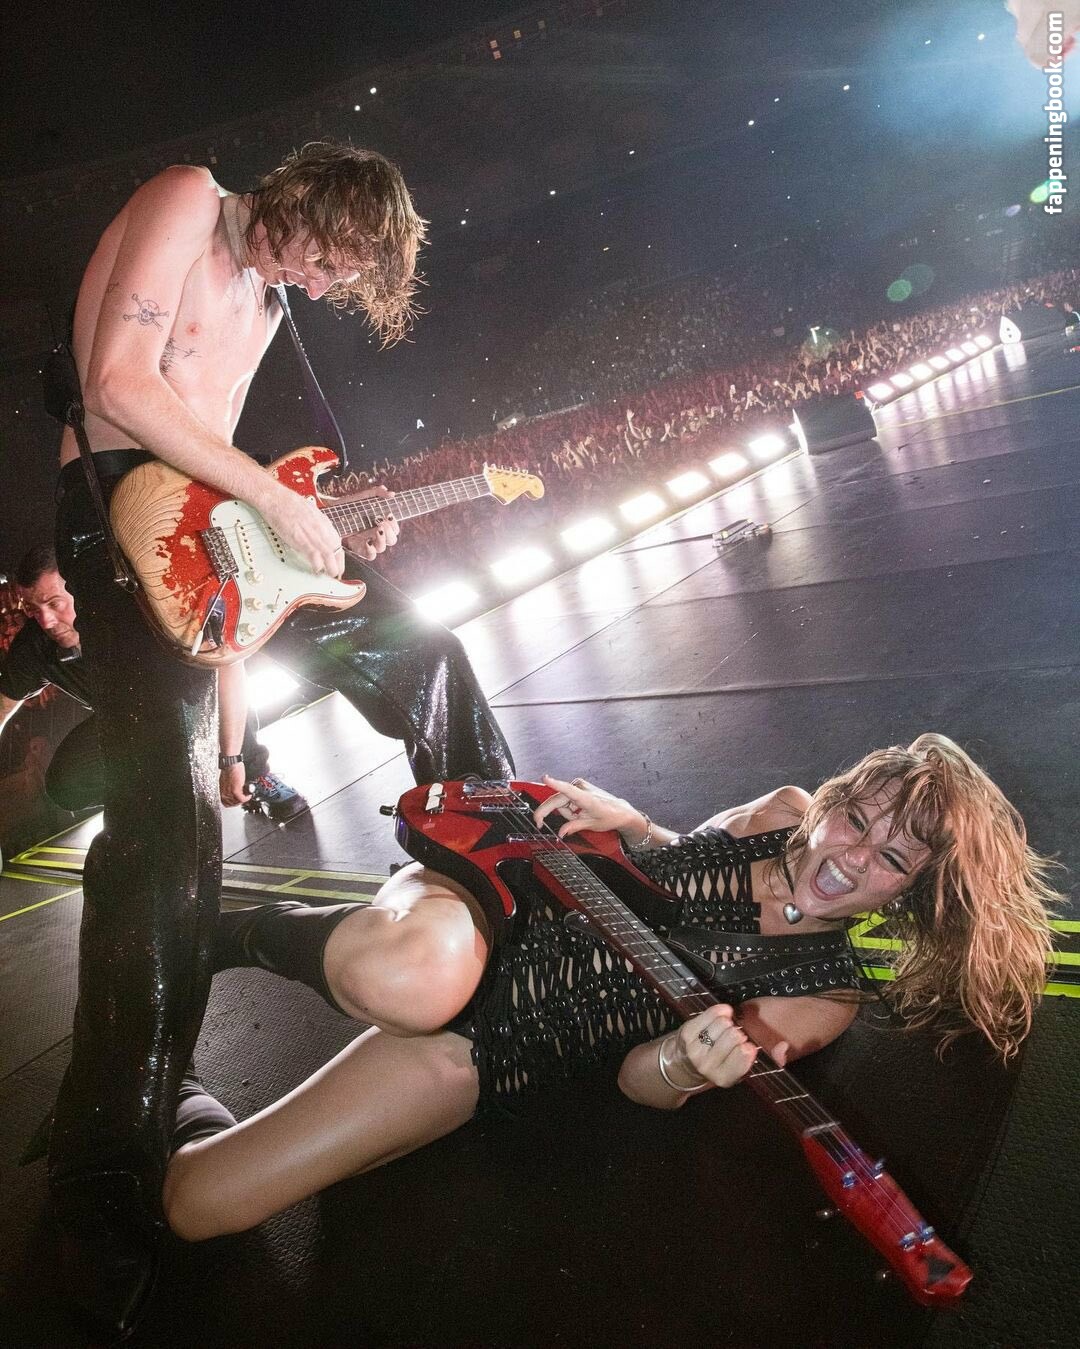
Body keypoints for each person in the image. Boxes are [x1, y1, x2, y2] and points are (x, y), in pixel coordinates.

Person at [50, 140, 513, 1337]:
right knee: (166, 832)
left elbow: (218, 451)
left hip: (209, 522)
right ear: (308, 196)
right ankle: (102, 1168)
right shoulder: (189, 198)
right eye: (327, 259)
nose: (319, 284)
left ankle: (510, 881)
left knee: (423, 652)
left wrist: (310, 524)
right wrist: (274, 499)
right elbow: (119, 384)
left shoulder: (266, 295)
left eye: (342, 279)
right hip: (117, 514)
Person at [162, 733, 1058, 1243]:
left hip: (501, 1049)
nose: (850, 856)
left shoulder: (823, 993)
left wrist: (683, 1064)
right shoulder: (783, 813)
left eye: (890, 857)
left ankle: (181, 1094)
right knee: (415, 976)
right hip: (506, 909)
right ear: (830, 802)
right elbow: (673, 867)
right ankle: (226, 930)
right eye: (854, 819)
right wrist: (636, 825)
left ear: (913, 891)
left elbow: (637, 1080)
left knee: (199, 1205)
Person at [0, 544, 304, 821]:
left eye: (54, 604)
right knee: (66, 786)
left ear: (79, 591)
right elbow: (3, 705)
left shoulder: (136, 608)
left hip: (188, 702)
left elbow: (227, 663)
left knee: (208, 685)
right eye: (33, 610)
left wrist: (232, 759)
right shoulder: (34, 647)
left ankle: (256, 774)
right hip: (124, 722)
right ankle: (168, 793)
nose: (46, 621)